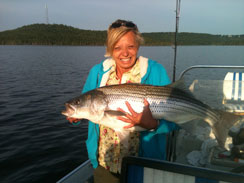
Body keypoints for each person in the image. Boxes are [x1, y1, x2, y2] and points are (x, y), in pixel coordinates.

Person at [67, 19, 178, 183]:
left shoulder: (155, 71)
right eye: (117, 48)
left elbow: (177, 119)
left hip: (145, 166)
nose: (124, 53)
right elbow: (85, 105)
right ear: (110, 48)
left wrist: (154, 125)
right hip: (105, 164)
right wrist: (76, 116)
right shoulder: (97, 73)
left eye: (130, 47)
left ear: (138, 45)